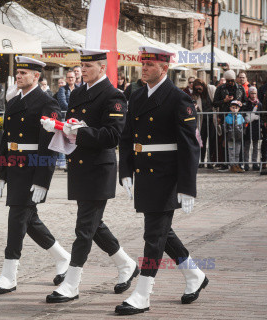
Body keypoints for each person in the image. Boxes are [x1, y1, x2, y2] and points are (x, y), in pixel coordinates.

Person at [42, 49, 138, 304]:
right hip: (80, 166)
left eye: (89, 66)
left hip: (98, 168)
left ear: (102, 68)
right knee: (94, 226)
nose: (82, 70)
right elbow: (74, 128)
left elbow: (112, 136)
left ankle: (71, 283)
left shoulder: (113, 96)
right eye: (81, 66)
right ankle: (126, 264)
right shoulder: (77, 93)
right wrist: (61, 128)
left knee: (84, 228)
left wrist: (77, 131)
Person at [116, 46, 207, 315]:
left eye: (150, 65)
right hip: (145, 173)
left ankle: (143, 294)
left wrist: (188, 187)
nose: (144, 68)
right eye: (143, 64)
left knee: (153, 234)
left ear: (164, 68)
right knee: (161, 232)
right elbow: (127, 136)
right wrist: (125, 171)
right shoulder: (137, 94)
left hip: (167, 175)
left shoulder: (179, 98)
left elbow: (191, 146)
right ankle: (194, 275)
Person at [0, 56, 71, 296]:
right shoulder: (13, 102)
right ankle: (64, 258)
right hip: (14, 166)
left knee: (17, 217)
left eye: (23, 72)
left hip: (33, 167)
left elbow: (51, 144)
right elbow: (6, 139)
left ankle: (9, 275)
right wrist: (1, 171)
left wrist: (43, 179)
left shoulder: (47, 103)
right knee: (29, 220)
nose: (19, 76)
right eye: (18, 72)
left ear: (36, 77)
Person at [192, 79, 215, 169]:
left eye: (200, 88)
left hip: (212, 119)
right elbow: (193, 104)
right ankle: (201, 161)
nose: (198, 90)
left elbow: (215, 102)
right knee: (202, 141)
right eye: (196, 89)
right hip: (202, 120)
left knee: (212, 141)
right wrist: (195, 107)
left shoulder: (211, 89)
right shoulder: (195, 95)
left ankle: (210, 161)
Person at [243, 87, 262, 171]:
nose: (253, 95)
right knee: (247, 146)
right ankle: (246, 163)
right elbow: (243, 114)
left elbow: (261, 116)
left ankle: (255, 163)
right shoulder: (246, 103)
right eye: (252, 93)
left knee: (255, 146)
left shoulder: (259, 104)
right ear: (249, 94)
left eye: (255, 93)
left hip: (256, 127)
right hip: (247, 127)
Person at [225, 100, 245, 173]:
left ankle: (236, 165)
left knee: (237, 152)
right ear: (230, 108)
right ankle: (232, 165)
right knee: (231, 153)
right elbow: (226, 128)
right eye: (233, 107)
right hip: (230, 138)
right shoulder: (227, 117)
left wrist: (242, 134)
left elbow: (243, 127)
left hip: (238, 138)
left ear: (239, 109)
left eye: (236, 108)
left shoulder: (241, 117)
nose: (234, 109)